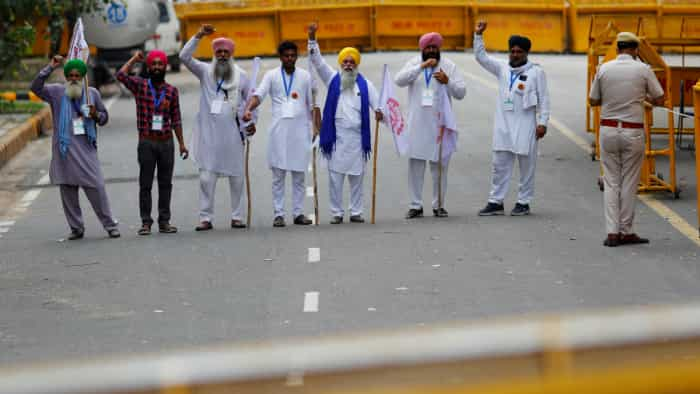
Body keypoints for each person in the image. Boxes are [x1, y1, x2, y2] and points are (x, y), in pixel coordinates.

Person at [30, 56, 120, 240]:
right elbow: (36, 88)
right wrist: (50, 67)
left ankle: (110, 225)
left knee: (96, 187)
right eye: (70, 75)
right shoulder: (56, 92)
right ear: (65, 76)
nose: (73, 79)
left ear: (83, 77)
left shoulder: (92, 93)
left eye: (77, 76)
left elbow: (104, 118)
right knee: (68, 192)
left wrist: (95, 114)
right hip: (64, 152)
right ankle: (76, 228)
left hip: (86, 150)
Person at [589, 32, 665, 247]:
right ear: (635, 50)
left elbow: (593, 99)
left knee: (611, 181)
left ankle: (612, 233)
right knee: (630, 182)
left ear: (618, 48)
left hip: (608, 131)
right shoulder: (643, 70)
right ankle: (627, 230)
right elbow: (659, 98)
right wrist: (642, 98)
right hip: (633, 131)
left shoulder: (603, 69)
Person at [179, 24, 256, 231]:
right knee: (206, 178)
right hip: (209, 136)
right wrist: (199, 36)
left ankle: (237, 217)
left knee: (237, 178)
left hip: (234, 135)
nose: (222, 55)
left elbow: (251, 101)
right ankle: (206, 218)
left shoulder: (242, 75)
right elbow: (184, 57)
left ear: (231, 54)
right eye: (219, 52)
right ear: (214, 53)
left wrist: (251, 123)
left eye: (226, 52)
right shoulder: (204, 71)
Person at [307, 22, 383, 224]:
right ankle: (337, 213)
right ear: (341, 64)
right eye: (345, 62)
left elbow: (378, 104)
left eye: (352, 62)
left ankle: (356, 212)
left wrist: (379, 112)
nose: (348, 64)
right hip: (337, 138)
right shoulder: (332, 78)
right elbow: (317, 61)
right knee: (335, 179)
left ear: (357, 65)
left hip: (357, 139)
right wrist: (312, 38)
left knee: (357, 178)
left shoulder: (365, 84)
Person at [474, 21, 550, 217]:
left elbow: (544, 100)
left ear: (526, 53)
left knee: (527, 166)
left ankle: (523, 202)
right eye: (512, 51)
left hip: (526, 126)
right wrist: (478, 36)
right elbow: (481, 57)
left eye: (519, 51)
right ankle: (495, 201)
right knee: (499, 165)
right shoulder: (502, 68)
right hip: (503, 126)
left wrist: (542, 123)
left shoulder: (536, 72)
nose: (515, 54)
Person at [116, 50, 188, 235]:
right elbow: (121, 75)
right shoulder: (140, 86)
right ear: (148, 67)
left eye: (160, 64)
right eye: (153, 64)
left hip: (166, 144)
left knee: (166, 184)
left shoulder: (172, 91)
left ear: (165, 67)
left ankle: (164, 222)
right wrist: (133, 59)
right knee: (145, 184)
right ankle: (145, 222)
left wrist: (181, 143)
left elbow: (176, 119)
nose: (157, 67)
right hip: (147, 143)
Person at [395, 32, 466, 219]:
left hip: (439, 125)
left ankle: (439, 205)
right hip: (417, 124)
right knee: (416, 167)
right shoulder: (413, 63)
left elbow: (461, 92)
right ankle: (415, 205)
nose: (432, 50)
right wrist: (421, 67)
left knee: (440, 169)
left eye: (435, 47)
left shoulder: (449, 66)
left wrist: (447, 81)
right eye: (428, 47)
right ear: (422, 49)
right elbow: (399, 80)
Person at [243, 41, 314, 227]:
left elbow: (313, 105)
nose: (290, 59)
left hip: (300, 133)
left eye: (293, 55)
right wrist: (248, 109)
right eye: (286, 56)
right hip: (278, 133)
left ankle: (298, 214)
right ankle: (279, 214)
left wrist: (317, 128)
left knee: (299, 175)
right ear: (281, 57)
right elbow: (259, 95)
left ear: (297, 57)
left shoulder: (306, 76)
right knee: (278, 176)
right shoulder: (272, 75)